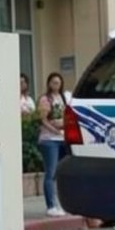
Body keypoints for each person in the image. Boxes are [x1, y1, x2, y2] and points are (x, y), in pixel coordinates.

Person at [37, 73, 68, 217]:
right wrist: (54, 129)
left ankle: (61, 203)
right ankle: (51, 205)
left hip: (62, 138)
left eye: (59, 82)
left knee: (60, 172)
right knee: (51, 172)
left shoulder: (63, 98)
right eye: (54, 82)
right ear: (49, 83)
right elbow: (43, 120)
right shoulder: (45, 99)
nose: (57, 85)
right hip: (49, 139)